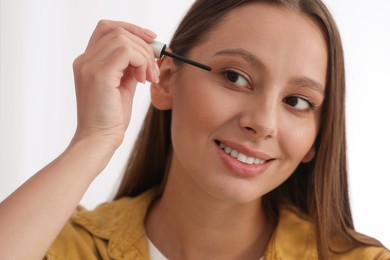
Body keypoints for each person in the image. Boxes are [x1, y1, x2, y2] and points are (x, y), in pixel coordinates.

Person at [0, 0, 389, 259]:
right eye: (236, 77)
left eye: (298, 102)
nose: (263, 123)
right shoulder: (60, 246)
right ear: (166, 79)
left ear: (316, 139)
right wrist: (93, 141)